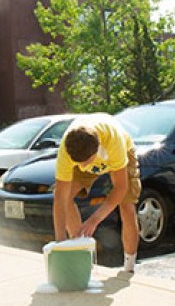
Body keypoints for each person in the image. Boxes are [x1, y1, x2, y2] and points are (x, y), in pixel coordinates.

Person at [52, 113, 141, 272]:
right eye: (78, 163)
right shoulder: (67, 150)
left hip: (120, 156)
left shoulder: (113, 140)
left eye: (86, 162)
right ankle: (82, 255)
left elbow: (120, 188)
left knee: (126, 205)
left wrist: (94, 220)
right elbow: (60, 197)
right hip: (88, 152)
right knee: (66, 198)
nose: (83, 166)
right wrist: (60, 242)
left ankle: (129, 266)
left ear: (97, 148)